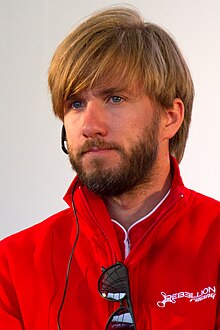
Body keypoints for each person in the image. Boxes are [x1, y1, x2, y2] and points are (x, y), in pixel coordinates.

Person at [0, 6, 220, 330]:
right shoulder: (12, 267)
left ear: (169, 117)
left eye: (114, 98)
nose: (90, 125)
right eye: (76, 103)